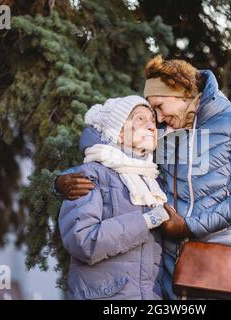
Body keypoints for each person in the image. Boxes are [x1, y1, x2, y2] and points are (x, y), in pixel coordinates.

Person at [57, 56, 231, 299]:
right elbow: (113, 151)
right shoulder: (164, 135)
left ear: (181, 91)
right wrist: (63, 181)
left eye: (159, 106)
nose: (157, 118)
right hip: (169, 278)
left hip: (221, 268)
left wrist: (189, 226)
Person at [58, 95, 170, 300]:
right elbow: (82, 240)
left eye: (153, 121)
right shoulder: (92, 175)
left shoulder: (154, 183)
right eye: (140, 119)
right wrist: (146, 221)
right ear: (118, 132)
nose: (152, 126)